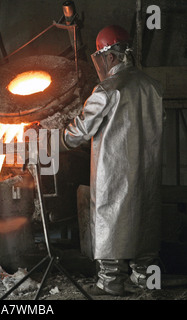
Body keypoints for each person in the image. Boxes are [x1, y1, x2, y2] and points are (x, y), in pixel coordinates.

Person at [63, 25, 164, 296]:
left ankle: (110, 282)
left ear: (110, 57)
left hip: (114, 170)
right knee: (144, 217)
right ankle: (145, 277)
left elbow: (81, 131)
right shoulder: (152, 86)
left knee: (110, 219)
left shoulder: (107, 89)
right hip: (146, 168)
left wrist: (62, 136)